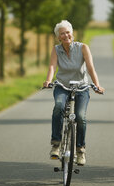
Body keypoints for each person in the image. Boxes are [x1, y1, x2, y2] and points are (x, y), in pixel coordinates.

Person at [43, 20, 105, 166]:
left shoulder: (83, 47)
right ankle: (56, 144)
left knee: (81, 117)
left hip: (81, 88)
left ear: (72, 33)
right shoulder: (56, 49)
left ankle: (80, 150)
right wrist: (47, 80)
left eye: (68, 32)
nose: (66, 35)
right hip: (62, 86)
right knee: (58, 107)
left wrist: (97, 85)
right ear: (58, 37)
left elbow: (90, 68)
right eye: (62, 33)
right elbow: (52, 67)